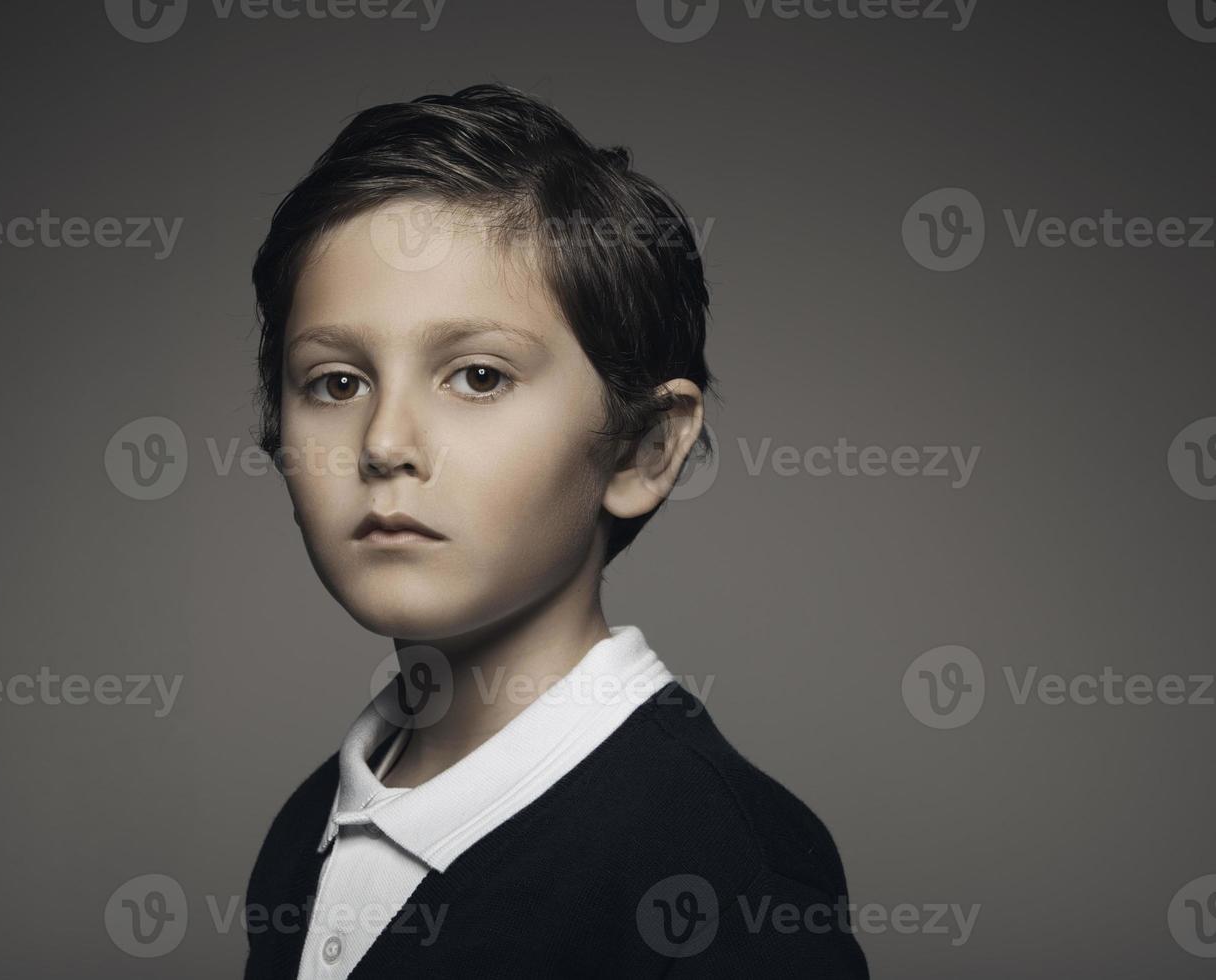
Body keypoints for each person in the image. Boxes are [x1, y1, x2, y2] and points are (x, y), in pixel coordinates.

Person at [241, 82, 869, 979]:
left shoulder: (726, 869)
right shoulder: (311, 827)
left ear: (643, 449)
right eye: (337, 382)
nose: (384, 444)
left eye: (480, 377)